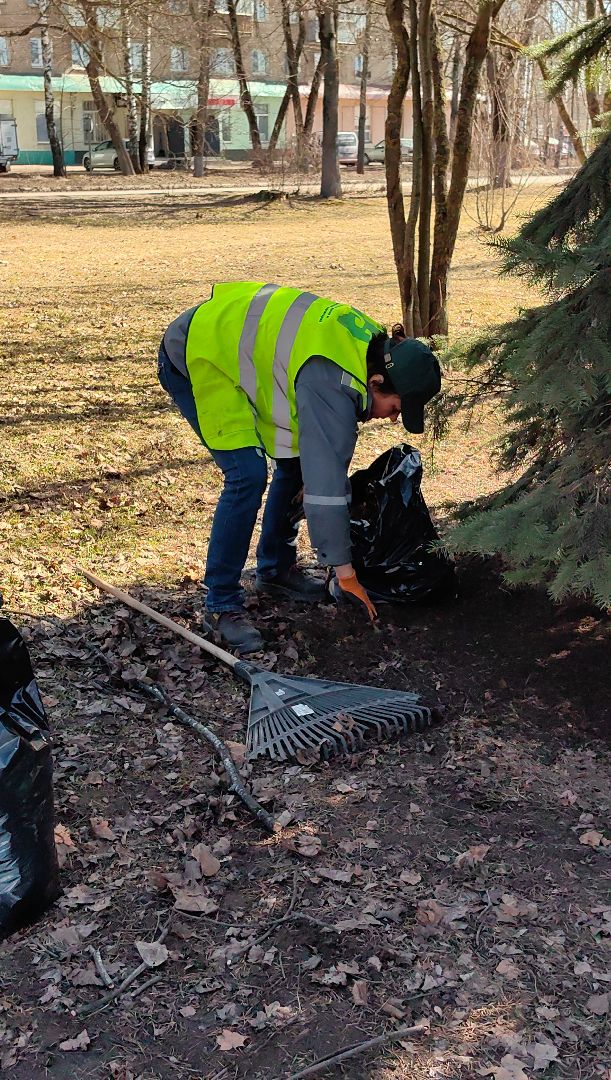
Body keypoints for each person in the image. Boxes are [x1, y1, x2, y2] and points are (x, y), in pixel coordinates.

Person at [158, 282, 441, 654]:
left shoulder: (369, 350)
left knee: (293, 464)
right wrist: (345, 572)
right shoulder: (334, 380)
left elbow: (320, 463)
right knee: (247, 475)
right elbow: (325, 485)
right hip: (200, 353)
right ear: (376, 383)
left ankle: (274, 571)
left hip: (240, 350)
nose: (391, 419)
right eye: (394, 408)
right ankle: (221, 606)